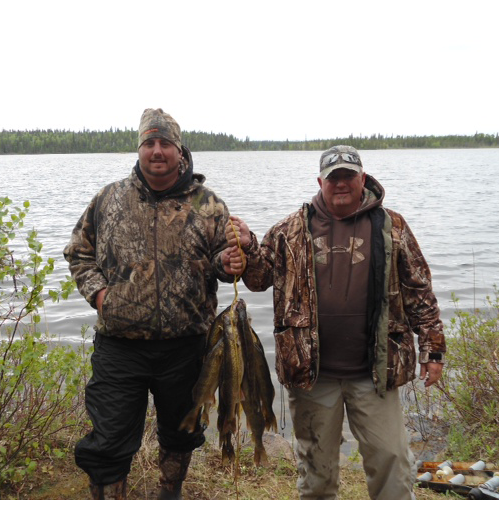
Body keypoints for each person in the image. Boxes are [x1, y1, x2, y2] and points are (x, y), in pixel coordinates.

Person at [221, 145, 446, 500]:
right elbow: (258, 278)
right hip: (312, 376)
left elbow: (419, 290)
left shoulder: (392, 226)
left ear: (362, 178)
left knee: (392, 462)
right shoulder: (290, 229)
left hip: (374, 372)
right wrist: (246, 246)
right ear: (320, 181)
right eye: (333, 177)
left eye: (348, 176)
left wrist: (433, 350)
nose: (340, 183)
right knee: (316, 474)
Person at [64, 108, 237, 500]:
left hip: (186, 345)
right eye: (149, 143)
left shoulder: (209, 205)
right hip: (120, 347)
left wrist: (229, 263)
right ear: (139, 148)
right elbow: (78, 253)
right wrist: (100, 295)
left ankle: (169, 493)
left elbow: (226, 264)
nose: (156, 151)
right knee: (108, 440)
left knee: (182, 432)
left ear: (180, 150)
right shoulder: (108, 199)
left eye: (165, 144)